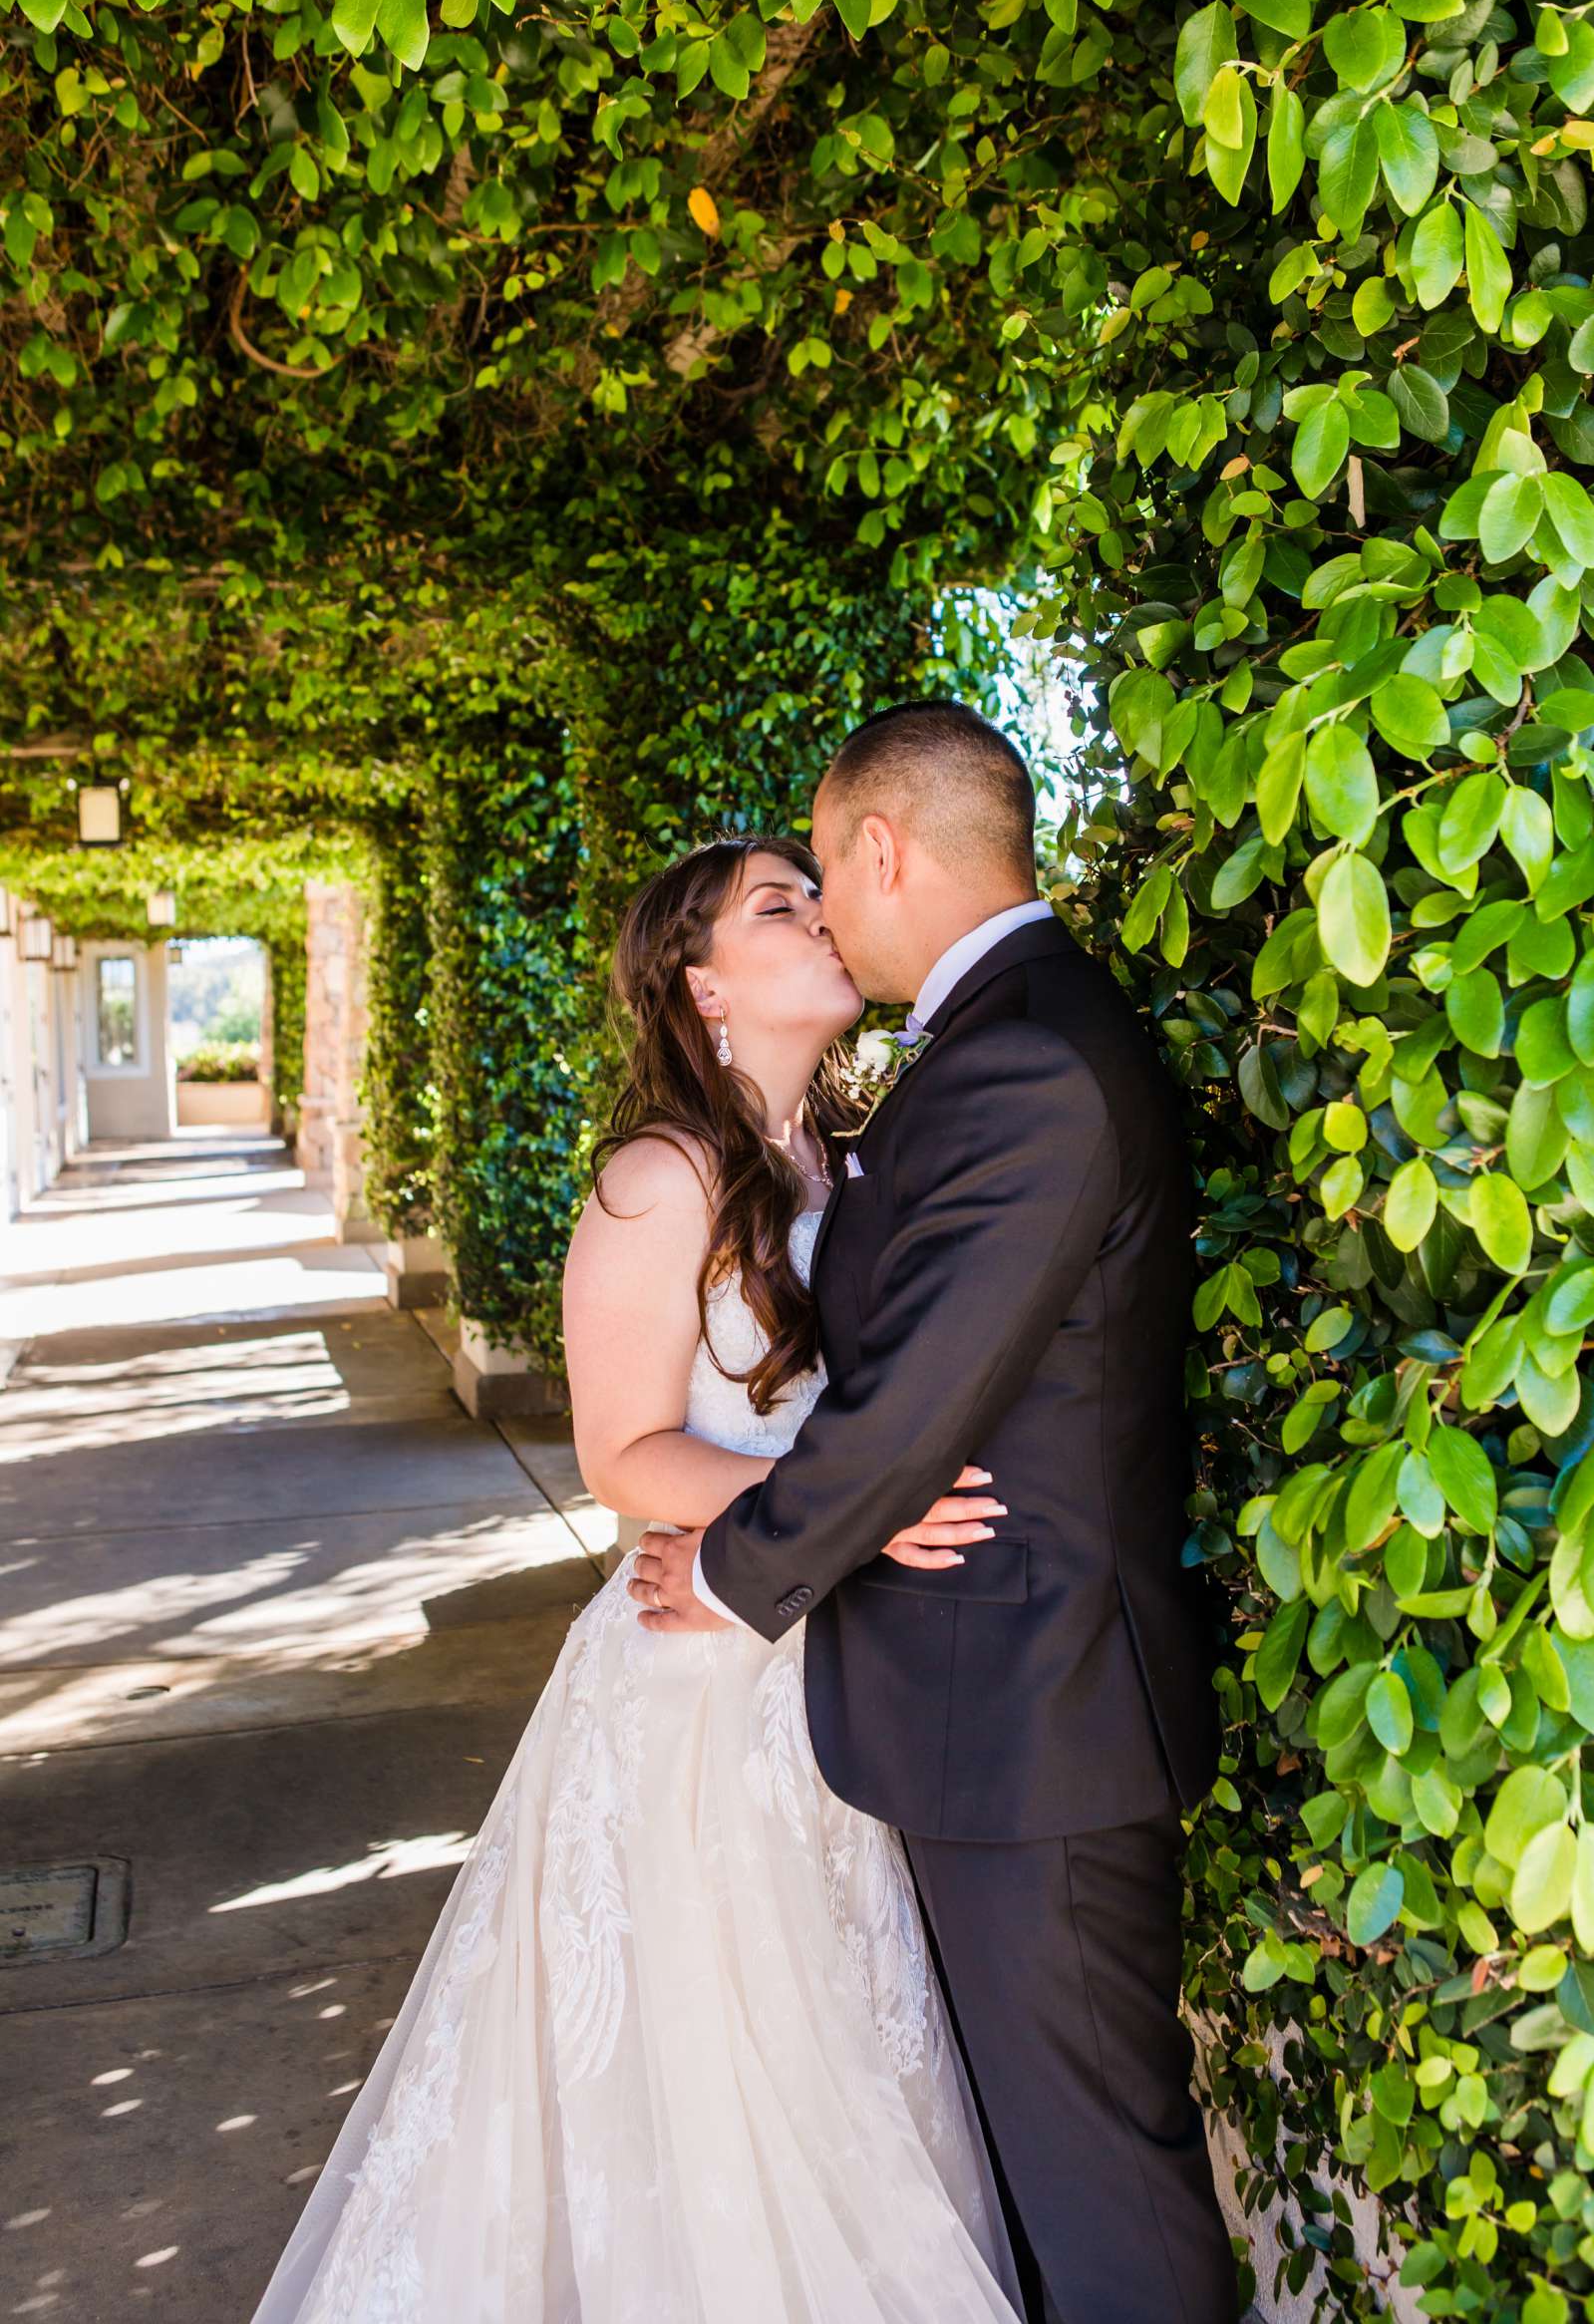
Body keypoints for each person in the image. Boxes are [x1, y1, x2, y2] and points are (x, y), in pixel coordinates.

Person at [246, 831, 1025, 2324]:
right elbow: (624, 1455)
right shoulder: (659, 1176)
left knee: (840, 2056)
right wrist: (857, 1511)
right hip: (696, 1690)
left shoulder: (846, 1152)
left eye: (818, 892)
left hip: (828, 1666)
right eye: (776, 906)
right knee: (714, 2083)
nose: (818, 916)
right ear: (700, 981)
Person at [630, 702, 1239, 2324]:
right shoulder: (996, 1042)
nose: (823, 904)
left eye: (823, 868)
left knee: (1104, 2193)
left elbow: (912, 1407)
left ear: (884, 849)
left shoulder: (1024, 1057)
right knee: (1041, 2180)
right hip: (995, 1708)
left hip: (1036, 1716)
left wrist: (736, 1566)